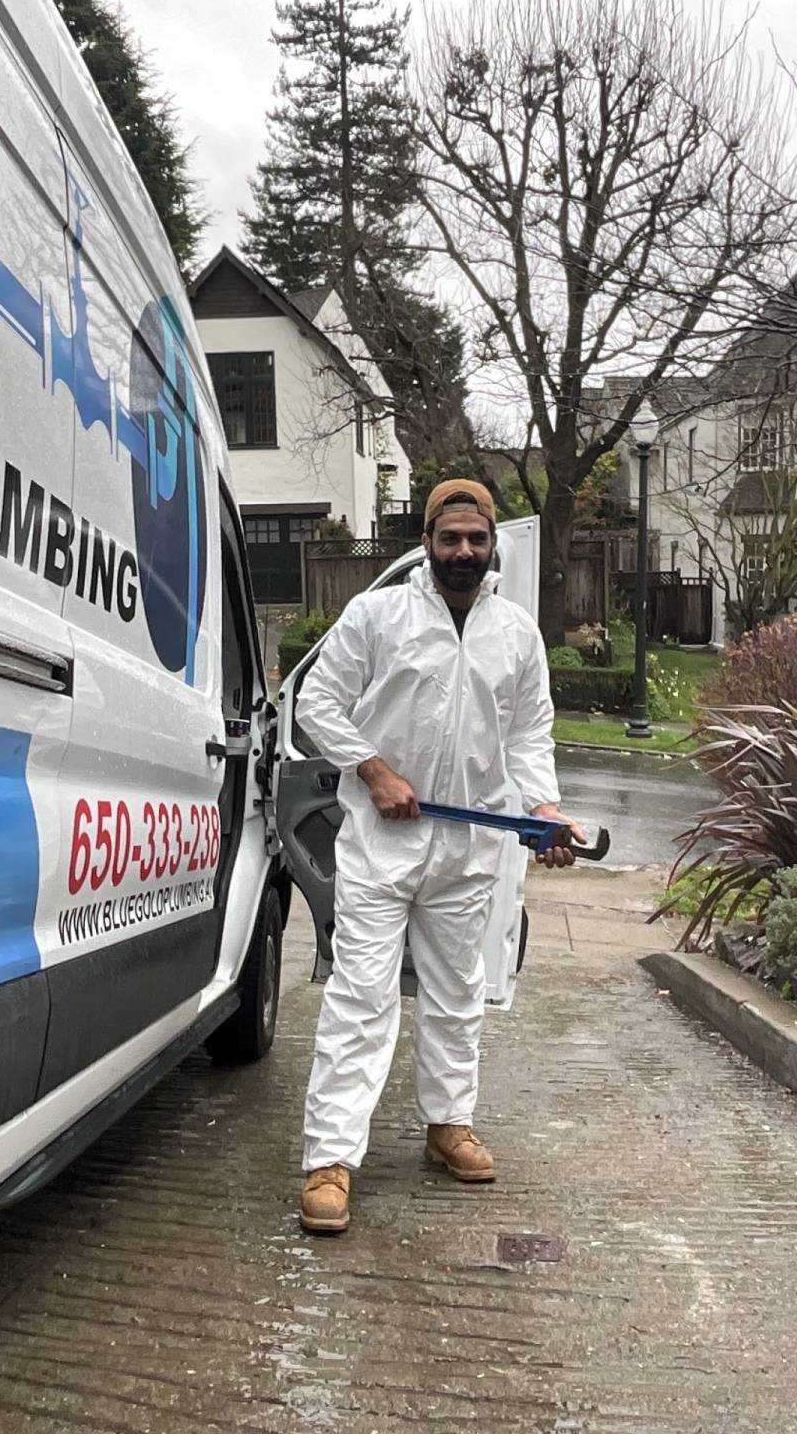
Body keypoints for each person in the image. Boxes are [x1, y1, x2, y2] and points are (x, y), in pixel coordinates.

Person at [295, 478, 581, 1235]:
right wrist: (373, 769)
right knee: (362, 997)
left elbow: (528, 737)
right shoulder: (378, 615)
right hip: (381, 844)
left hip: (469, 843)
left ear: (492, 547)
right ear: (426, 541)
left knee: (459, 993)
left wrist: (542, 809)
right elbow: (316, 703)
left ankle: (448, 1124)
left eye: (476, 540)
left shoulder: (517, 633)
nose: (463, 552)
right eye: (449, 538)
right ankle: (330, 1159)